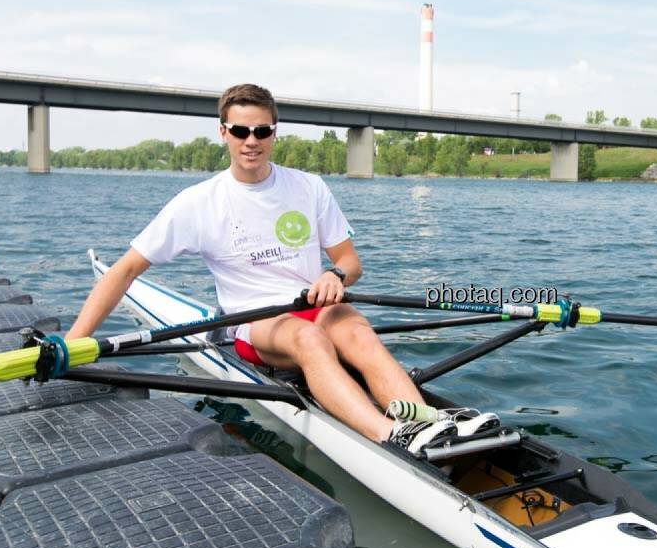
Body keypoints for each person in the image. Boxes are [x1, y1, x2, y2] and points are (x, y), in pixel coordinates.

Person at [67, 83, 495, 453]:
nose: (250, 140)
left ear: (274, 133)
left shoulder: (308, 186)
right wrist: (74, 341)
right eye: (239, 131)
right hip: (256, 323)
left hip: (314, 304)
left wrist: (336, 276)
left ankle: (428, 424)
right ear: (224, 133)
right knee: (310, 339)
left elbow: (350, 262)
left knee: (359, 333)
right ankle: (390, 436)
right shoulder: (197, 202)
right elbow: (124, 271)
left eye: (261, 131)